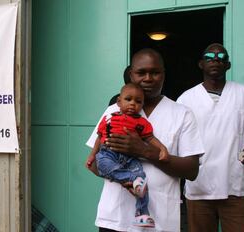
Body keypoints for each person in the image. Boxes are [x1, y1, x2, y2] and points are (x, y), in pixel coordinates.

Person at [86, 48, 204, 232]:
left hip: (161, 222)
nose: (148, 78)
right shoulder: (113, 111)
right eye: (141, 73)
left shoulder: (182, 114)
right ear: (131, 75)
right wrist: (126, 179)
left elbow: (192, 170)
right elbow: (94, 165)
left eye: (155, 72)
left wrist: (144, 151)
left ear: (164, 75)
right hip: (114, 219)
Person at [177, 43, 244, 232]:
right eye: (210, 56)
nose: (216, 59)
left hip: (236, 189)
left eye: (221, 56)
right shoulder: (186, 99)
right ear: (201, 64)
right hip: (199, 189)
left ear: (228, 65)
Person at [86, 83, 169, 228]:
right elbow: (99, 138)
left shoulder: (141, 123)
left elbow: (150, 138)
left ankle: (142, 214)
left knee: (142, 178)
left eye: (138, 102)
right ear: (119, 102)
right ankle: (131, 180)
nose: (132, 104)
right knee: (105, 166)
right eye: (128, 99)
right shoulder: (109, 118)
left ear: (142, 105)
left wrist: (163, 148)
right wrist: (92, 155)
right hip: (108, 153)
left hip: (131, 158)